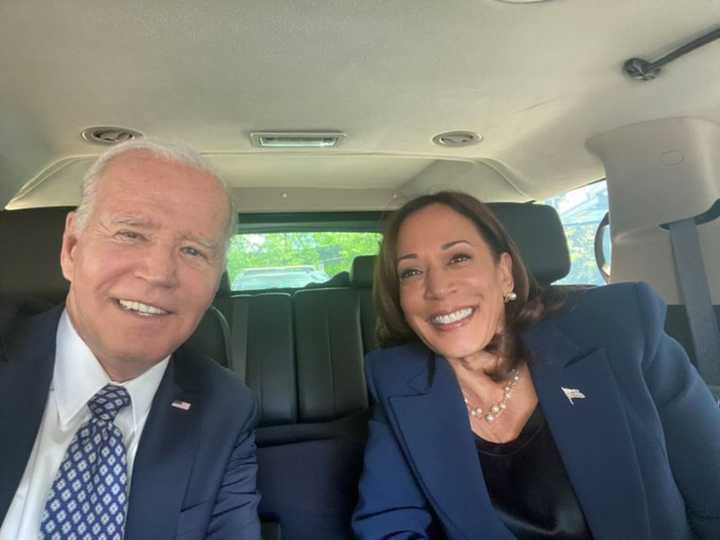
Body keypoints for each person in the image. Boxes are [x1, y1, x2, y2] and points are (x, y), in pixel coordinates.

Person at [352, 191, 720, 539]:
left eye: (458, 258)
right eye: (411, 272)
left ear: (504, 272)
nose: (437, 288)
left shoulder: (620, 331)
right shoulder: (398, 383)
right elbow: (388, 526)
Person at [0, 140, 261, 539]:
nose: (159, 273)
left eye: (193, 250)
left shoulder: (224, 407)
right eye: (131, 234)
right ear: (72, 248)